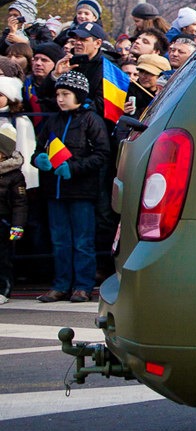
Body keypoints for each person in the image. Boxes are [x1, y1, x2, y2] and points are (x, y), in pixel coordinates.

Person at [32, 71, 111, 303]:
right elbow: (38, 149)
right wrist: (39, 160)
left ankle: (83, 286)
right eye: (58, 94)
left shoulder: (91, 120)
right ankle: (61, 284)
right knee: (59, 240)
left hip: (81, 192)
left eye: (65, 94)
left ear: (78, 94)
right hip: (55, 192)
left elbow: (102, 154)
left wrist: (73, 168)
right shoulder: (53, 120)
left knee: (82, 241)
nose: (60, 99)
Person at [0, 77, 37, 304]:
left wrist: (17, 226)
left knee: (3, 257)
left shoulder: (13, 175)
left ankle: (3, 289)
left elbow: (20, 203)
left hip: (4, 219)